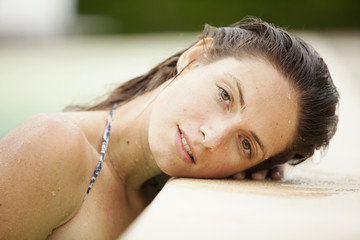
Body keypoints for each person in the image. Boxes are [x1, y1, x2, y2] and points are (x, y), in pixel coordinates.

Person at [0, 17, 339, 239]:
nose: (213, 137)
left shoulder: (155, 187)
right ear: (194, 58)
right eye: (225, 95)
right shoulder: (55, 146)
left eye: (246, 144)